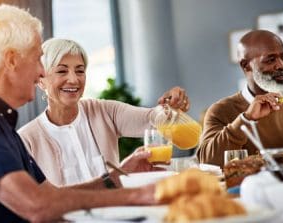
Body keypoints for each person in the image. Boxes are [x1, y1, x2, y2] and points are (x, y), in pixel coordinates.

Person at [0, 5, 158, 222]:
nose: (41, 71)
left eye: (80, 70)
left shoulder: (2, 125)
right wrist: (136, 195)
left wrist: (115, 177)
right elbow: (37, 206)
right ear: (11, 60)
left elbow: (51, 196)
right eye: (37, 59)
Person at [18, 38, 190, 187]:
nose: (74, 79)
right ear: (41, 81)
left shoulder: (104, 111)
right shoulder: (26, 140)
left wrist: (169, 106)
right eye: (62, 71)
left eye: (80, 70)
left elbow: (152, 118)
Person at [197, 30, 283, 167]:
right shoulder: (221, 111)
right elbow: (208, 162)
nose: (282, 65)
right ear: (246, 66)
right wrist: (246, 119)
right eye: (271, 59)